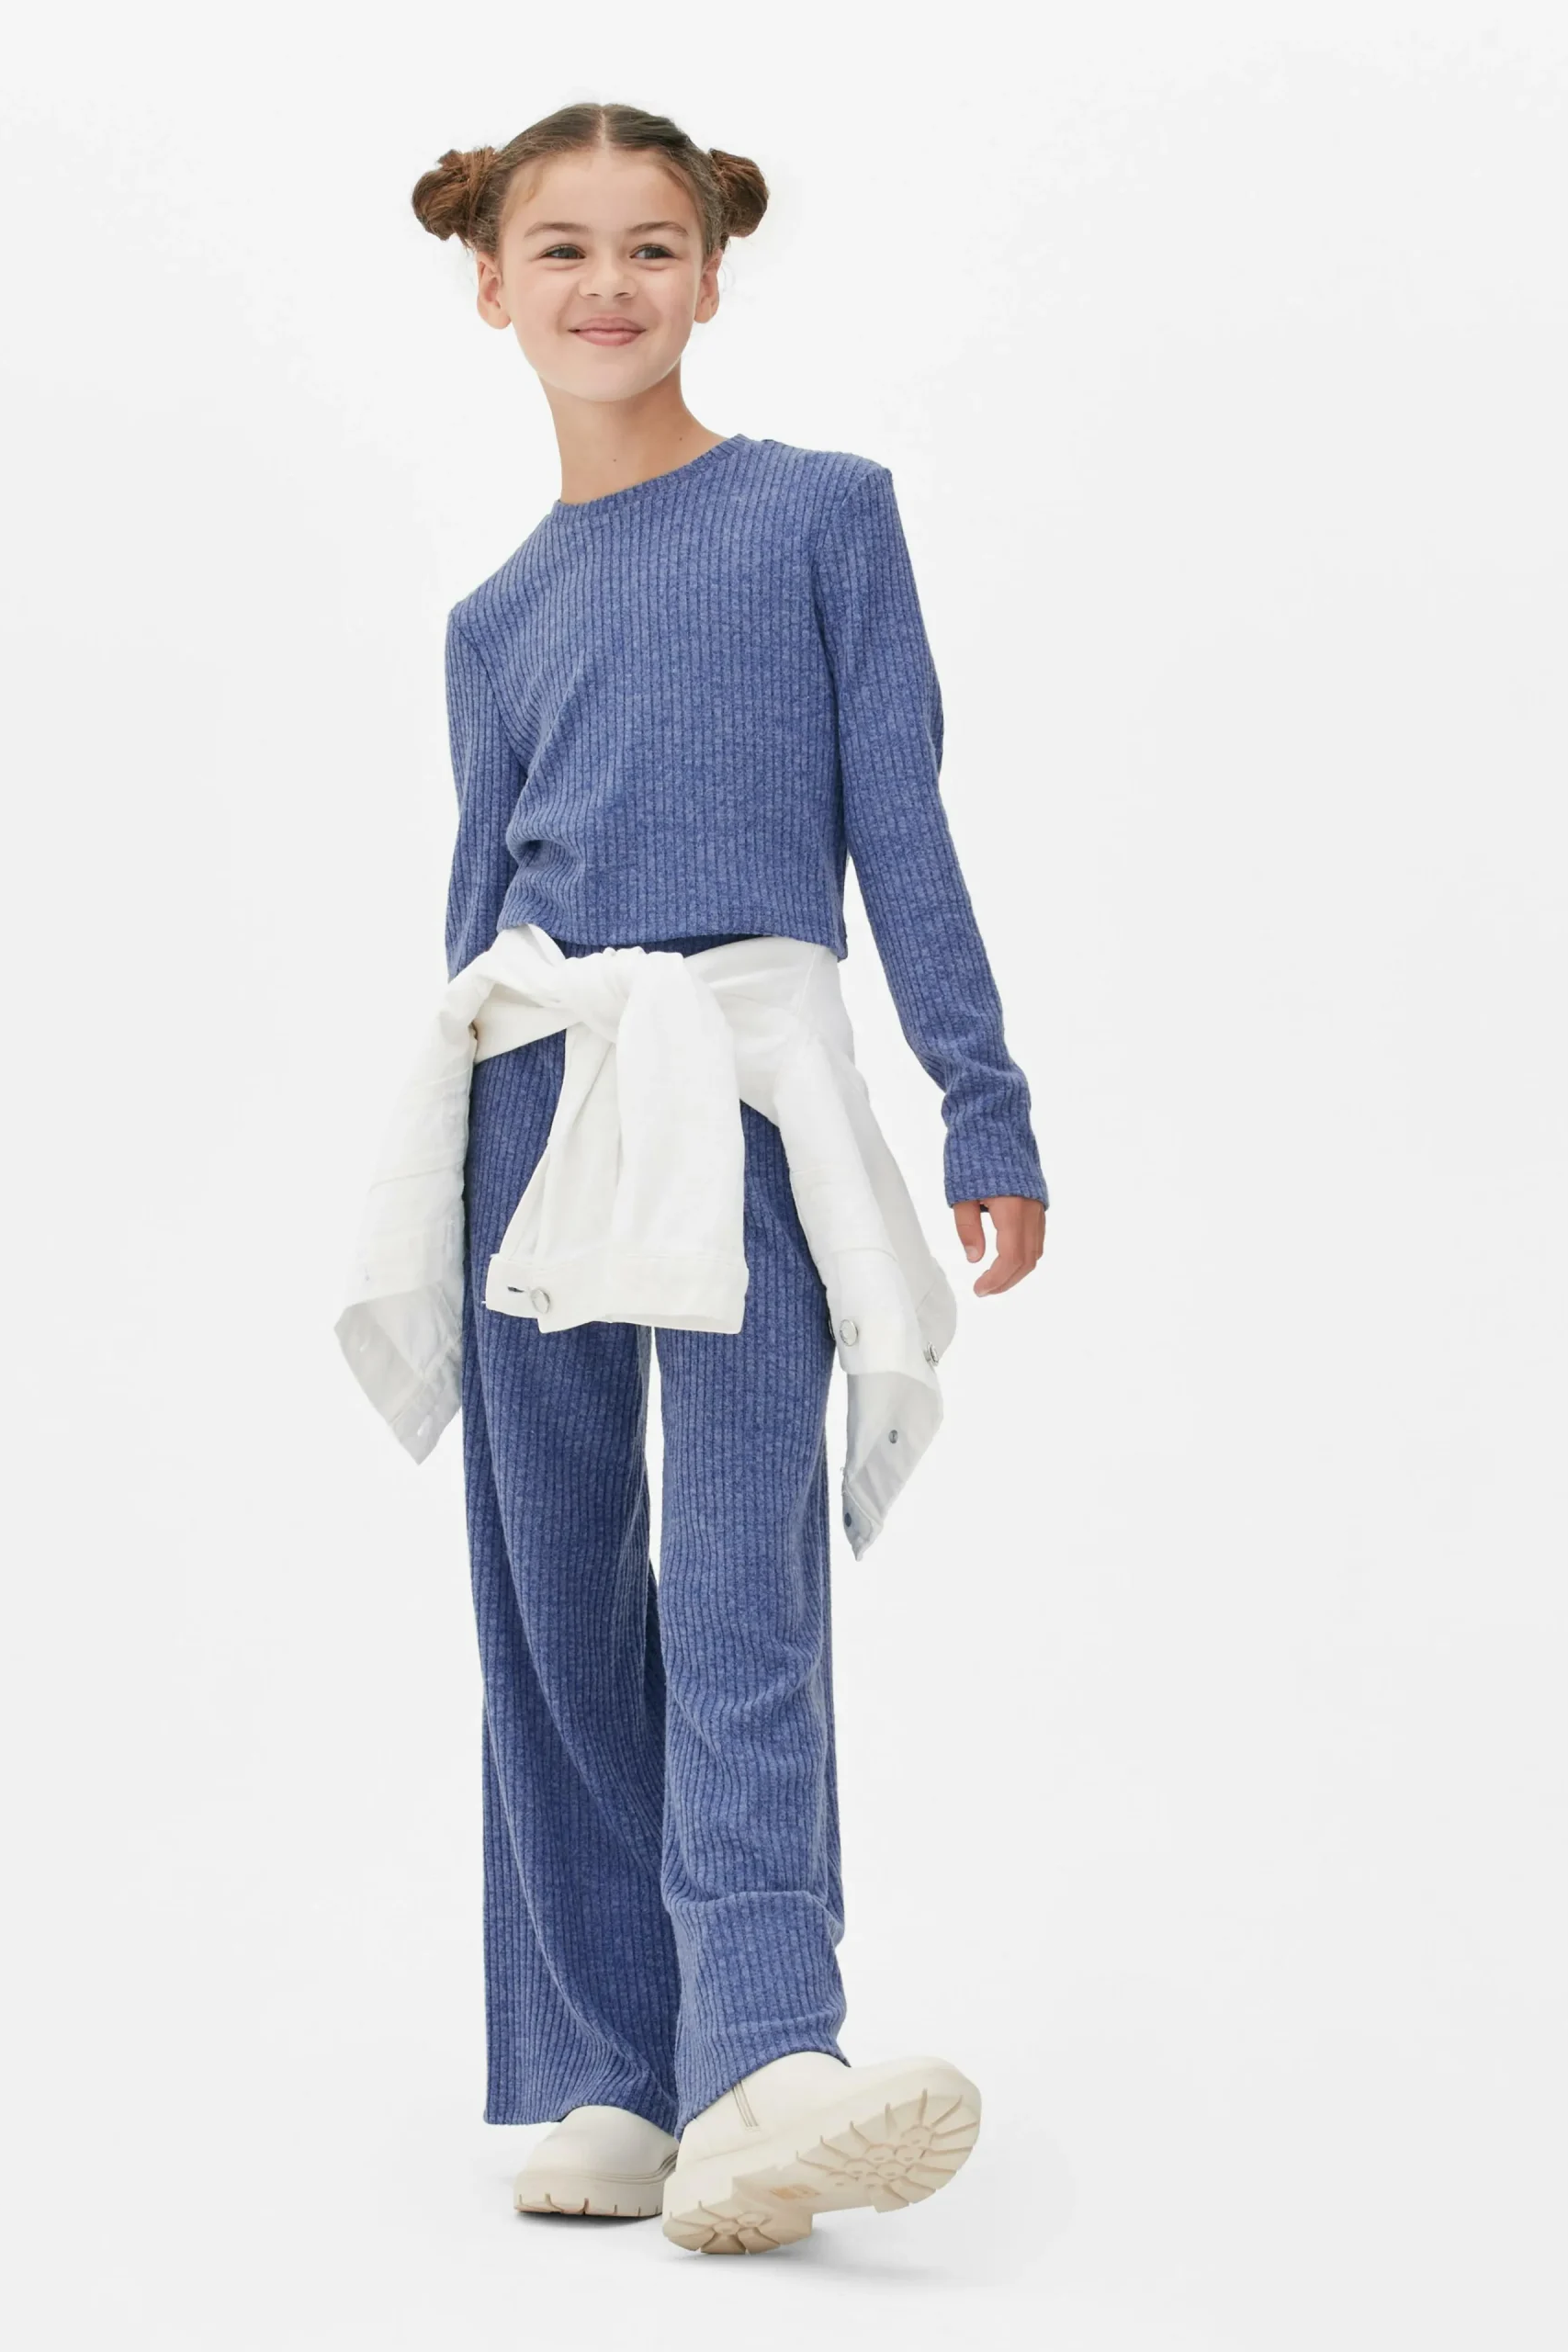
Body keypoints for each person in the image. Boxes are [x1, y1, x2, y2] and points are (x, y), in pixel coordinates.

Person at [399, 100, 1048, 2257]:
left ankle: (768, 2050)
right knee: (554, 1587)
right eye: (563, 248)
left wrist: (980, 1098)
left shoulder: (820, 517)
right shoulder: (494, 617)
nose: (609, 285)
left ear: (711, 270)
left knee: (745, 1568)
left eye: (651, 246)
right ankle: (620, 2057)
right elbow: (473, 912)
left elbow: (902, 819)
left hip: (749, 1090)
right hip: (534, 1102)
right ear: (491, 283)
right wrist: (432, 1194)